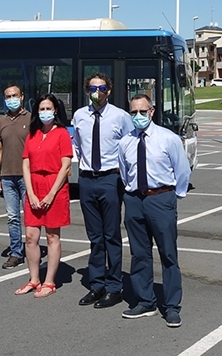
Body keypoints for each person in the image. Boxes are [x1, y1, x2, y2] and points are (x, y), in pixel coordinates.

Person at [117, 93, 191, 328]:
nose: (138, 116)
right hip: (134, 200)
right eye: (134, 112)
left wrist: (172, 197)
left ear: (152, 111)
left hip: (161, 198)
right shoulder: (125, 142)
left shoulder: (168, 139)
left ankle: (172, 306)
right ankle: (145, 301)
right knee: (139, 253)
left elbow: (182, 171)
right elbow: (124, 172)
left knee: (168, 254)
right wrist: (132, 194)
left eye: (142, 111)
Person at [71, 72, 133, 309]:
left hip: (110, 178)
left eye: (102, 88)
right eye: (92, 88)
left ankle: (114, 287)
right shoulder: (79, 116)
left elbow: (130, 145)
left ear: (109, 90)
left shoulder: (120, 116)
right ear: (87, 91)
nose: (97, 92)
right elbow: (77, 145)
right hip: (87, 179)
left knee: (111, 235)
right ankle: (96, 284)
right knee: (95, 237)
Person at [14, 94, 73, 298]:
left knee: (51, 236)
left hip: (54, 187)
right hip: (34, 186)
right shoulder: (33, 134)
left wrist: (51, 194)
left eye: (48, 108)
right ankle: (34, 279)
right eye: (41, 109)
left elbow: (65, 166)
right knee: (31, 237)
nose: (45, 112)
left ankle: (49, 282)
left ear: (55, 110)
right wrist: (30, 193)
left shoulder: (62, 133)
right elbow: (26, 164)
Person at [0, 84, 31, 269]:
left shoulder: (31, 119)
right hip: (7, 177)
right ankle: (16, 253)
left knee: (30, 217)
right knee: (13, 217)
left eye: (15, 95)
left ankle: (32, 249)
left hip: (27, 176)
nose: (12, 99)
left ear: (22, 97)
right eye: (8, 96)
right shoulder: (1, 122)